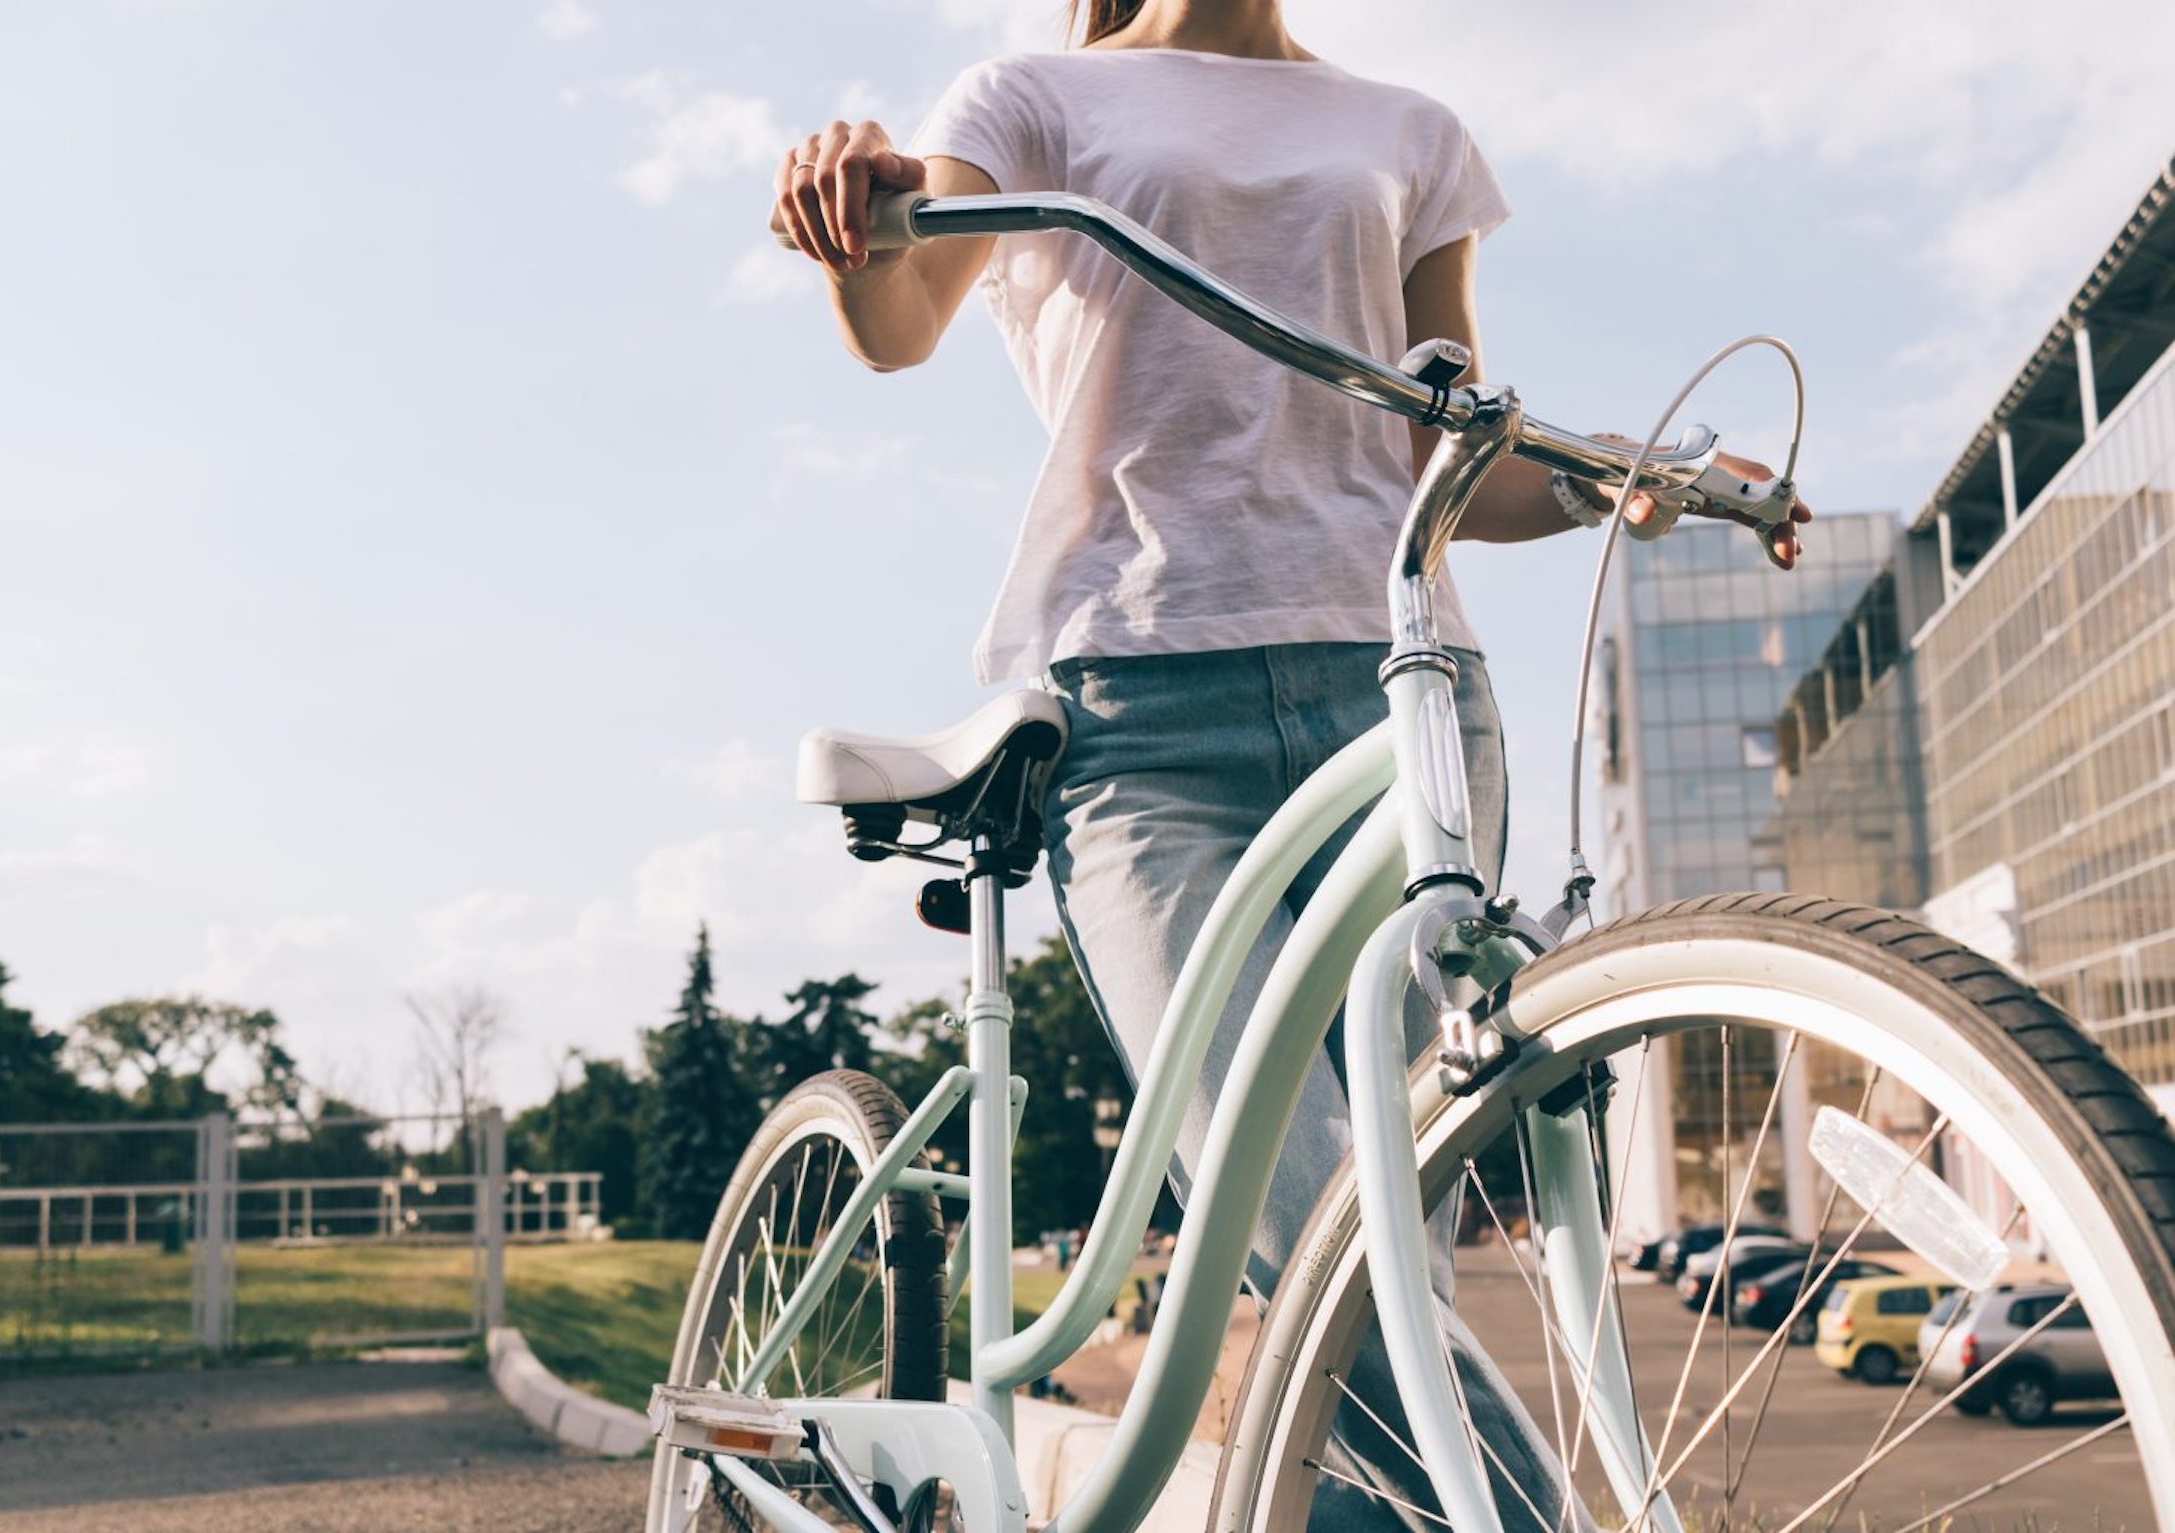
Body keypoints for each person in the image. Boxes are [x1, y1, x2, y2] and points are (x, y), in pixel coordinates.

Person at [773, 0, 1810, 1523]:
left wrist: (1617, 477)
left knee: (1395, 1243)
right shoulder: (1035, 95)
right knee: (1321, 1211)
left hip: (1407, 697)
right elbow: (904, 318)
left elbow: (1440, 449)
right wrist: (852, 224)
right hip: (1141, 712)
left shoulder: (1411, 129)